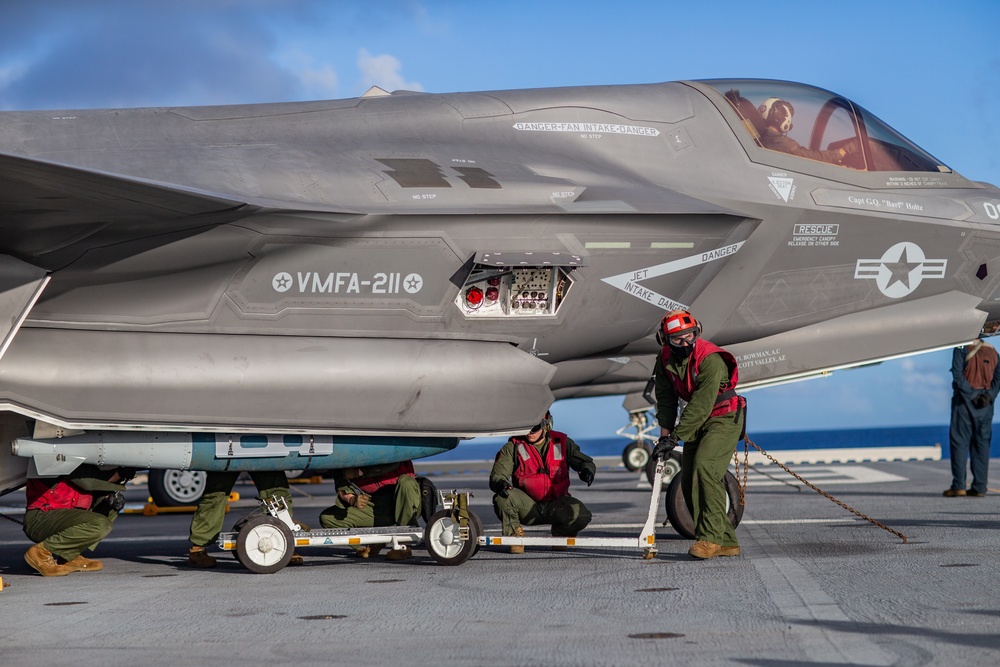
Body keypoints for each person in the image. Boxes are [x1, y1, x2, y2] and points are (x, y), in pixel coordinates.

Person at [652, 309, 745, 560]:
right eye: (677, 339)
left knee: (705, 468)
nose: (685, 343)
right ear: (665, 340)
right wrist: (665, 437)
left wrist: (676, 436)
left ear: (697, 332)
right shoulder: (664, 359)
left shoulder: (710, 359)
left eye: (690, 336)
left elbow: (702, 404)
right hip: (697, 421)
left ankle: (711, 539)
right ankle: (727, 541)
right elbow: (666, 399)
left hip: (722, 417)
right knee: (690, 479)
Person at [488, 411, 596, 553]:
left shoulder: (562, 443)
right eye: (526, 428)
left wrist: (586, 470)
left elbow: (584, 461)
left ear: (546, 425)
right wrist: (499, 483)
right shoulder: (514, 446)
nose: (529, 433)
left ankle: (560, 533)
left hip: (556, 505)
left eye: (534, 428)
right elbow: (498, 474)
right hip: (527, 507)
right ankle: (514, 536)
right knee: (502, 498)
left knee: (581, 516)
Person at [22, 464, 132, 576]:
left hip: (63, 518)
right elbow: (88, 481)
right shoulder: (61, 458)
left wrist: (109, 496)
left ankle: (69, 556)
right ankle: (40, 553)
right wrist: (120, 473)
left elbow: (97, 484)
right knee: (100, 524)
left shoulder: (86, 464)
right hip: (40, 518)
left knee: (111, 505)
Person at [187, 471, 303, 567]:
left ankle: (284, 544)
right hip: (228, 446)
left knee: (276, 494)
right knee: (215, 495)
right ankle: (198, 549)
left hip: (262, 447)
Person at [319, 461, 421, 561]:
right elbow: (342, 484)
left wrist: (359, 472)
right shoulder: (347, 456)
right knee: (328, 518)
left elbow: (393, 464)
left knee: (406, 482)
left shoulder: (394, 450)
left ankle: (404, 545)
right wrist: (352, 499)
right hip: (376, 504)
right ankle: (366, 546)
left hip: (405, 499)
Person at [945, 338, 1000, 497]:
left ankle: (959, 485)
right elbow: (998, 377)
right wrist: (989, 396)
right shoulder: (992, 351)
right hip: (986, 405)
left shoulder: (962, 347)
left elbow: (957, 374)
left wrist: (970, 395)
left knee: (960, 443)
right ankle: (980, 487)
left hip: (964, 402)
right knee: (982, 444)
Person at [758, 97, 854, 164]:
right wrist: (843, 151)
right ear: (783, 116)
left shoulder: (762, 137)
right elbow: (811, 158)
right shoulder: (781, 143)